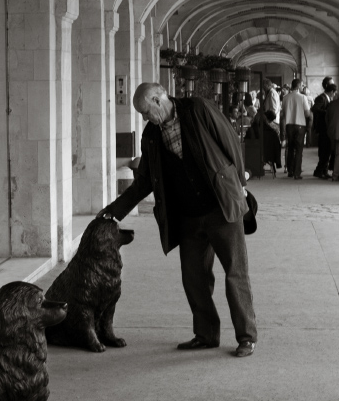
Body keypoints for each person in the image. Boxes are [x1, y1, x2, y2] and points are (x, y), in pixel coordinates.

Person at [98, 83, 258, 358]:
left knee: (235, 273)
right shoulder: (151, 136)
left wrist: (239, 183)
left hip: (220, 207)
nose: (146, 119)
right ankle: (206, 334)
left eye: (147, 112)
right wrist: (113, 211)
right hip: (187, 216)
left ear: (160, 100)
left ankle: (246, 337)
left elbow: (230, 141)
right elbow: (144, 181)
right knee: (194, 278)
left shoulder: (197, 109)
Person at [282, 78, 311, 180]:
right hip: (300, 125)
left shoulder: (285, 98)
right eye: (302, 85)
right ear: (298, 86)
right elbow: (307, 113)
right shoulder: (303, 97)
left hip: (289, 124)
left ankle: (290, 170)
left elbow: (283, 113)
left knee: (290, 148)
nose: (302, 87)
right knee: (299, 149)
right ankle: (297, 172)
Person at [313, 81, 337, 179]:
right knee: (324, 150)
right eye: (334, 92)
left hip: (325, 128)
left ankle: (322, 170)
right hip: (323, 128)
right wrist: (327, 112)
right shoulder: (321, 98)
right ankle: (320, 171)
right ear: (331, 91)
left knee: (326, 150)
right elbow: (314, 108)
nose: (334, 95)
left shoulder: (325, 98)